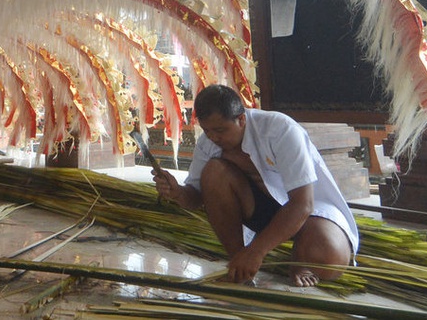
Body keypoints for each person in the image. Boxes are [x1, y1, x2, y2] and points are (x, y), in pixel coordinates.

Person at [152, 84, 359, 287]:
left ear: (241, 119)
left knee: (328, 258)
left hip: (313, 212)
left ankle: (298, 259)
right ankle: (239, 260)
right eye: (207, 131)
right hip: (261, 211)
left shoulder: (280, 130)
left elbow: (303, 204)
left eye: (220, 130)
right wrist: (177, 192)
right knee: (214, 172)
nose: (214, 138)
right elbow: (197, 197)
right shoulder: (209, 143)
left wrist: (257, 251)